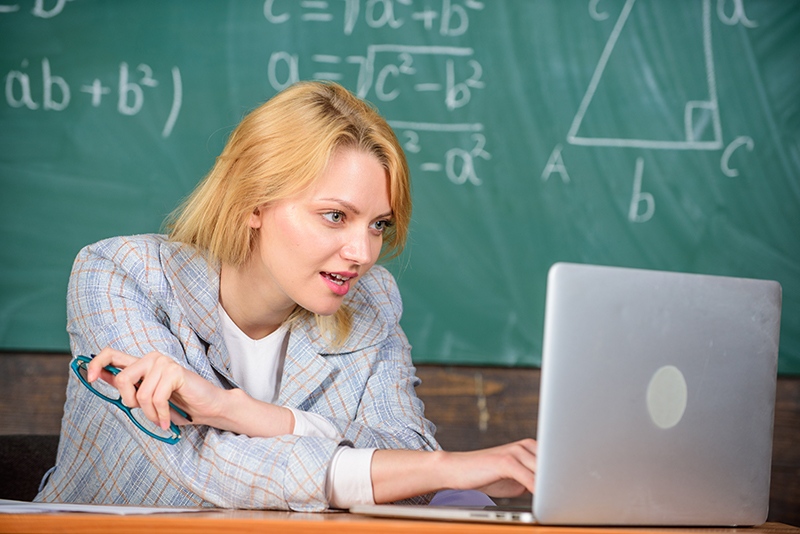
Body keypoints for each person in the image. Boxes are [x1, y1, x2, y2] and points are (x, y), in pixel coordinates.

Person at [36, 81, 537, 511]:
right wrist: (438, 469)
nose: (362, 253)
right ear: (254, 201)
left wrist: (244, 413)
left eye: (378, 224)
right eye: (335, 216)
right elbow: (197, 464)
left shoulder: (372, 302)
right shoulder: (122, 276)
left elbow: (409, 456)